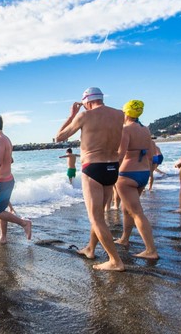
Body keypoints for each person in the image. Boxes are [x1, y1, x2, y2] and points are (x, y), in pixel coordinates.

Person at [55, 87, 124, 271]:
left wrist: (72, 116)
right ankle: (90, 248)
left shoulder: (84, 116)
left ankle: (115, 261)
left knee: (95, 218)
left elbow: (58, 137)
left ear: (87, 101)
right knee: (99, 215)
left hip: (93, 167)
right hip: (112, 168)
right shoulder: (120, 114)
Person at [113, 100, 159, 259]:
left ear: (126, 113)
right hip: (143, 173)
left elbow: (120, 154)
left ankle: (151, 250)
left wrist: (112, 171)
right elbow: (151, 154)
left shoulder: (125, 130)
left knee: (136, 212)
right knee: (126, 209)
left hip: (127, 174)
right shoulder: (145, 129)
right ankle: (125, 239)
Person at [0, 115, 32, 243]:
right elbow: (9, 159)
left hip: (2, 182)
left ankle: (24, 223)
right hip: (4, 180)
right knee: (1, 209)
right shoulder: (3, 139)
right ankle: (3, 237)